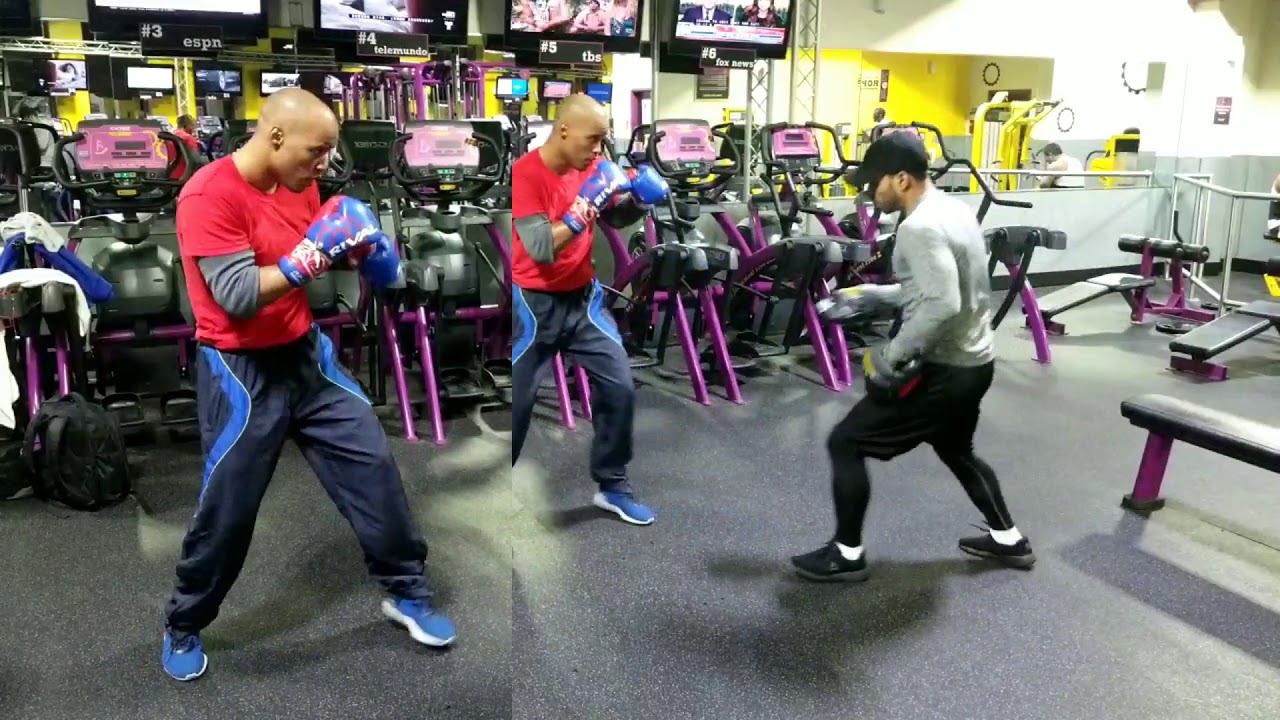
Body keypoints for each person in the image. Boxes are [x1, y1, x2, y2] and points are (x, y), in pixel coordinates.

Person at [160, 88, 453, 683]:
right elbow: (239, 295)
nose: (324, 162)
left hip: (305, 358)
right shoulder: (207, 196)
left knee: (373, 466)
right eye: (316, 150)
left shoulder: (299, 183)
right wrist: (315, 255)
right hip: (241, 371)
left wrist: (358, 251)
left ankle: (407, 590)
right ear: (274, 138)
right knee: (229, 509)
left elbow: (307, 254)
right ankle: (184, 621)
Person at [792, 131, 1034, 582]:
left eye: (875, 183)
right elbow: (944, 288)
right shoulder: (952, 209)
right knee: (957, 450)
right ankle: (1009, 540)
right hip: (974, 363)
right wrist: (875, 296)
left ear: (901, 178)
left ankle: (846, 555)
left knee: (846, 442)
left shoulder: (918, 227)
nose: (869, 192)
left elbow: (942, 305)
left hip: (943, 369)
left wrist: (890, 355)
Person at [510, 94, 669, 526]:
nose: (599, 150)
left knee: (619, 387)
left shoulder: (594, 165)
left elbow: (614, 219)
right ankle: (497, 492)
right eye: (593, 139)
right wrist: (586, 205)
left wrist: (637, 200)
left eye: (604, 140)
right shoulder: (526, 173)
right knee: (518, 407)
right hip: (535, 304)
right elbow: (540, 247)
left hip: (584, 299)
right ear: (563, 132)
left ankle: (613, 485)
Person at [170, 114, 203, 181]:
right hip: (185, 176)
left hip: (169, 174)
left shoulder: (170, 135)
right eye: (192, 126)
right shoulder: (188, 138)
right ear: (186, 125)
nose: (193, 129)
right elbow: (196, 160)